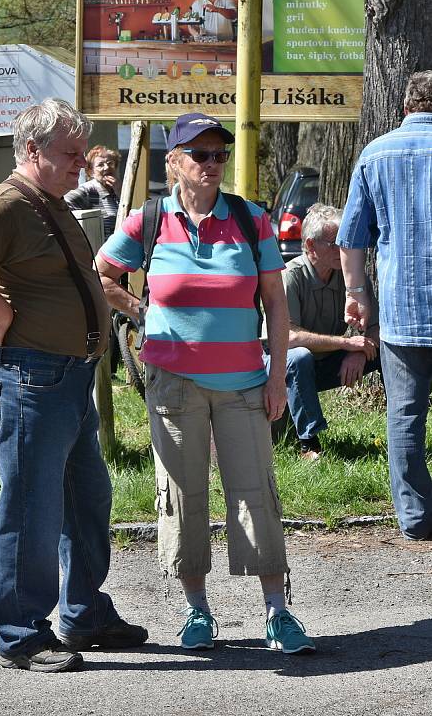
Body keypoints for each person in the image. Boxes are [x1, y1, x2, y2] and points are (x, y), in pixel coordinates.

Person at [0, 98, 147, 673]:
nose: (82, 163)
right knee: (32, 509)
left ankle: (82, 613)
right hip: (30, 377)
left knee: (87, 499)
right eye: (71, 153)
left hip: (68, 378)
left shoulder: (48, 202)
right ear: (32, 151)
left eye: (83, 152)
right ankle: (22, 633)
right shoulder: (6, 203)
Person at [96, 112, 316, 654]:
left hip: (243, 382)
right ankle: (197, 612)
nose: (213, 163)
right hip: (173, 385)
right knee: (182, 494)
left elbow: (275, 303)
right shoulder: (148, 220)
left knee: (255, 493)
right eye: (201, 154)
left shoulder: (251, 219)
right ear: (174, 162)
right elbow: (100, 274)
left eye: (220, 153)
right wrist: (138, 310)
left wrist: (277, 375)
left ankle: (277, 612)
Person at [337, 70, 432, 541]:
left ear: (404, 107)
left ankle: (416, 518)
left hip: (403, 311)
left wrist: (357, 295)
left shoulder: (376, 153)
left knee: (405, 416)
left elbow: (352, 240)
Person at [267, 203, 380, 460]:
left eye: (345, 241)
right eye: (335, 243)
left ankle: (402, 430)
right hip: (280, 368)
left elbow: (377, 328)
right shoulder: (290, 276)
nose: (343, 249)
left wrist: (360, 353)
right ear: (310, 246)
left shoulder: (350, 277)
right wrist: (346, 343)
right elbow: (288, 338)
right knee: (299, 357)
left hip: (327, 363)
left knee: (387, 351)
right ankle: (310, 442)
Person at [65, 145, 122, 240]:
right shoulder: (87, 191)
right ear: (91, 171)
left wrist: (120, 192)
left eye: (110, 163)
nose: (106, 167)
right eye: (100, 165)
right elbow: (65, 204)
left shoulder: (116, 190)